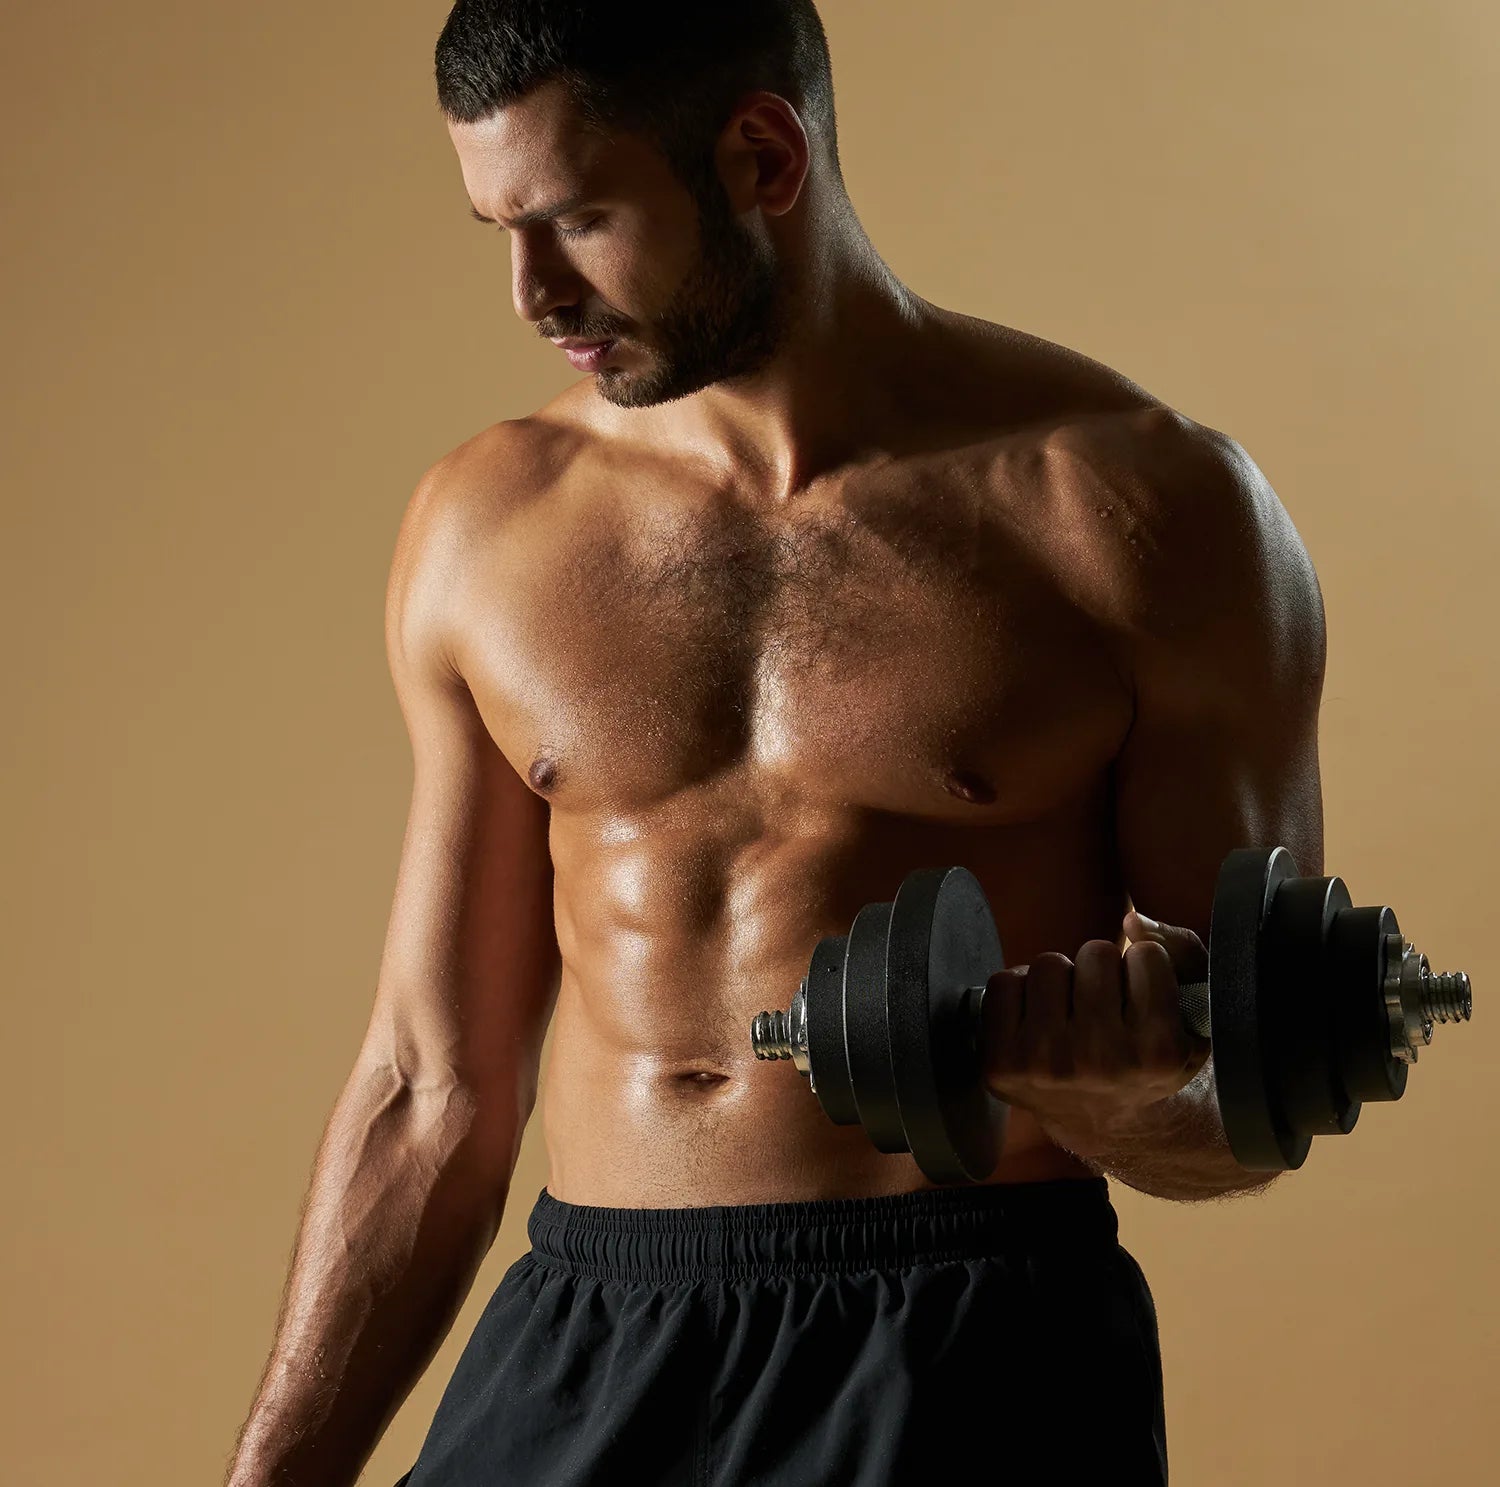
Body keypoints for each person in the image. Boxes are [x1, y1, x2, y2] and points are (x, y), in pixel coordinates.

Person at [225, 2, 1326, 1484]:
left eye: (579, 219)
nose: (531, 292)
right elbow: (432, 1091)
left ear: (762, 155)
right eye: (501, 229)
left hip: (968, 1347)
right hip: (589, 1331)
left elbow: (1254, 1090)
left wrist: (1127, 1105)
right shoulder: (489, 527)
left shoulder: (1140, 517)